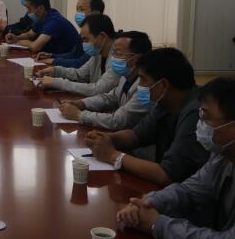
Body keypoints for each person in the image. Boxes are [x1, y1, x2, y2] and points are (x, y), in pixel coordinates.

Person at [116, 77, 235, 238]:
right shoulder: (222, 157)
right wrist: (147, 203)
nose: (200, 123)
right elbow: (188, 190)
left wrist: (157, 224)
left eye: (206, 117)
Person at [84, 48, 209, 186]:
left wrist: (112, 155)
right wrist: (106, 138)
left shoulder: (198, 113)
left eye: (143, 79)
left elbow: (166, 174)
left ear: (163, 85)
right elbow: (135, 135)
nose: (139, 86)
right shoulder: (165, 102)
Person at [59, 31, 152, 130]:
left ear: (136, 59)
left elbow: (118, 120)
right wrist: (81, 103)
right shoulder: (126, 76)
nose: (113, 58)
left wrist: (79, 115)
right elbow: (109, 98)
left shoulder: (146, 86)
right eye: (113, 53)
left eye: (118, 53)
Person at [37, 14, 120, 96]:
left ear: (102, 37)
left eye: (86, 40)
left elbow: (97, 90)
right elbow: (80, 74)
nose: (84, 44)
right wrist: (56, 71)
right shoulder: (98, 53)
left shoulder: (118, 60)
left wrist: (57, 83)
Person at [38, 0, 105, 68]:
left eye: (82, 10)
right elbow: (73, 54)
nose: (78, 13)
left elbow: (81, 63)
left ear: (95, 13)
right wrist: (52, 56)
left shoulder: (99, 36)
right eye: (77, 10)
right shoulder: (84, 32)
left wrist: (54, 61)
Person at [5, 0, 79, 54]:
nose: (28, 12)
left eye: (29, 9)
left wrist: (18, 42)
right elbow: (29, 34)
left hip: (69, 60)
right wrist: (17, 37)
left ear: (41, 8)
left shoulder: (54, 21)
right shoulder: (43, 17)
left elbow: (35, 47)